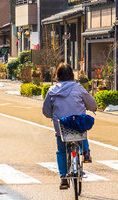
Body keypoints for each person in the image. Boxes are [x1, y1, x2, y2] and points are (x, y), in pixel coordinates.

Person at [41, 62, 97, 190]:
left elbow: (46, 110)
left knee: (61, 151)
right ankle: (86, 152)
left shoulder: (52, 90)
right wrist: (93, 108)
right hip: (77, 125)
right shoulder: (78, 88)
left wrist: (53, 116)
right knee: (80, 126)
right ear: (72, 75)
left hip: (61, 127)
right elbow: (90, 102)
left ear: (58, 75)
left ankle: (64, 178)